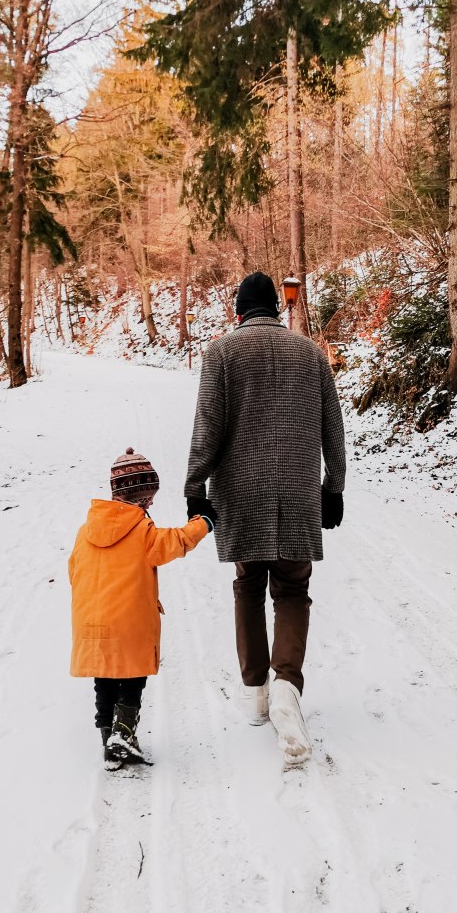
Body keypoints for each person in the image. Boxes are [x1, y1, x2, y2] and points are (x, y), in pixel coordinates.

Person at [184, 272, 345, 767]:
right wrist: (333, 487)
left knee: (249, 586)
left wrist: (194, 488)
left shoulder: (222, 354)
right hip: (297, 492)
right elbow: (333, 428)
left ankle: (256, 691)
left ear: (239, 311)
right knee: (293, 590)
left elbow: (208, 428)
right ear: (276, 308)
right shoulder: (310, 354)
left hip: (242, 492)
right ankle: (286, 686)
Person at [69, 447, 214, 769]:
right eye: (148, 497)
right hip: (129, 620)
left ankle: (109, 739)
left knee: (104, 678)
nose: (151, 503)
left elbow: (73, 571)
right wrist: (203, 523)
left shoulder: (85, 530)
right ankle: (123, 731)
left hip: (90, 620)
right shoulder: (141, 530)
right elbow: (175, 541)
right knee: (132, 678)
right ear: (138, 497)